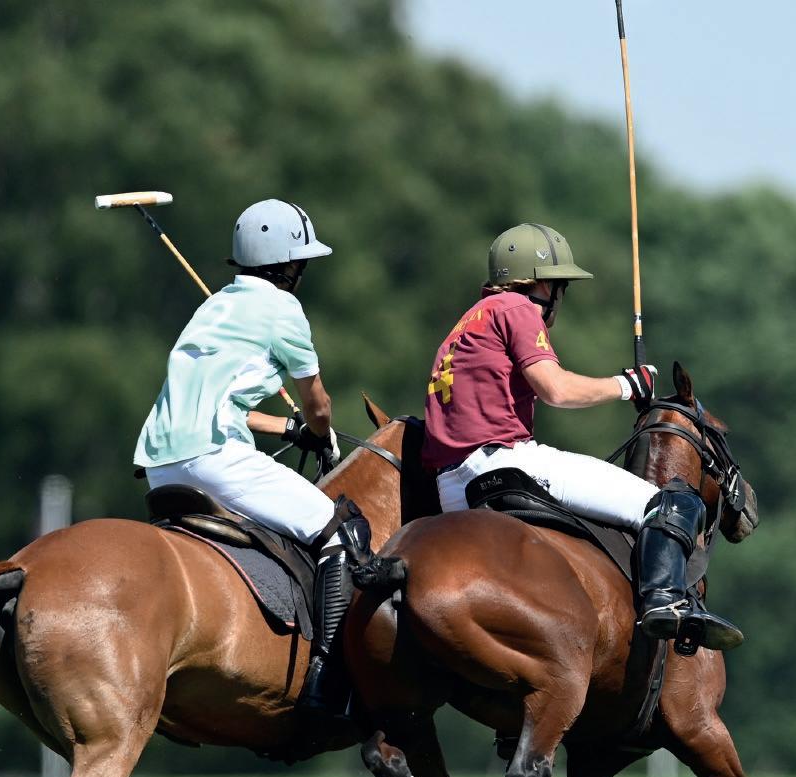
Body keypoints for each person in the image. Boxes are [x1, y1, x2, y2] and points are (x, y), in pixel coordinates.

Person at [421, 222, 741, 652]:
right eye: (560, 286)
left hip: (450, 489)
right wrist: (626, 385)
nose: (560, 297)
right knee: (671, 503)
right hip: (503, 464)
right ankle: (665, 603)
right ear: (540, 284)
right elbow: (555, 389)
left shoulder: (470, 320)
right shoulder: (517, 308)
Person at [135, 198, 392, 719]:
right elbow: (318, 402)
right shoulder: (284, 310)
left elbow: (227, 404)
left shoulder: (213, 308)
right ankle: (326, 678)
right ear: (289, 265)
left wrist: (287, 429)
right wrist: (319, 433)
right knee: (340, 529)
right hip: (214, 457)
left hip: (161, 464)